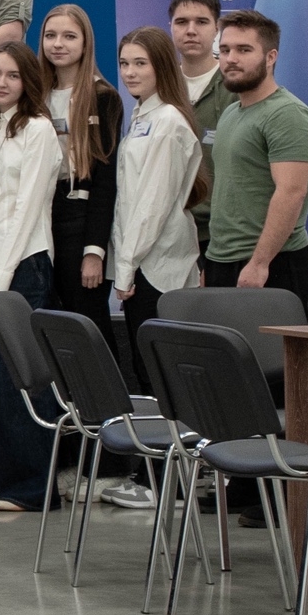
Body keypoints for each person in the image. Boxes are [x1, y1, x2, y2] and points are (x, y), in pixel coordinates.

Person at [0, 43, 62, 511]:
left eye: (12, 75)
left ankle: (32, 488)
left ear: (29, 81)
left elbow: (27, 207)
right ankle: (1, 478)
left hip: (21, 264)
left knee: (18, 380)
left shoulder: (39, 129)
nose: (0, 82)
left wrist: (1, 277)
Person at [109, 25, 204, 410]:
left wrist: (126, 267)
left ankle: (175, 447)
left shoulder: (167, 122)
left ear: (161, 65)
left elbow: (152, 206)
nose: (130, 72)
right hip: (144, 264)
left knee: (161, 372)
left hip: (159, 267)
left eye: (140, 63)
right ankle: (159, 449)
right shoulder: (142, 115)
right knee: (147, 368)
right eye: (124, 63)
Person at [202, 9, 308, 308]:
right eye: (225, 50)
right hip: (223, 259)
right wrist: (213, 260)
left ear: (270, 57)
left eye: (244, 50)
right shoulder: (231, 113)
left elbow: (292, 192)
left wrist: (259, 263)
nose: (231, 59)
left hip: (273, 263)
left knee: (270, 343)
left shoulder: (287, 114)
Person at [39, 4, 122, 348]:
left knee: (89, 325)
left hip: (82, 218)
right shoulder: (34, 95)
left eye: (69, 36)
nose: (58, 44)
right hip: (44, 219)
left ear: (86, 43)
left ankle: (107, 386)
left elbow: (106, 181)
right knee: (56, 329)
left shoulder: (103, 97)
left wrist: (94, 251)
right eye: (51, 35)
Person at [167, 0, 236, 227]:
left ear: (217, 29)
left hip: (224, 229)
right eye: (182, 22)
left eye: (201, 22)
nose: (191, 30)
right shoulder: (159, 87)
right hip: (169, 228)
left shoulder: (236, 87)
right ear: (171, 27)